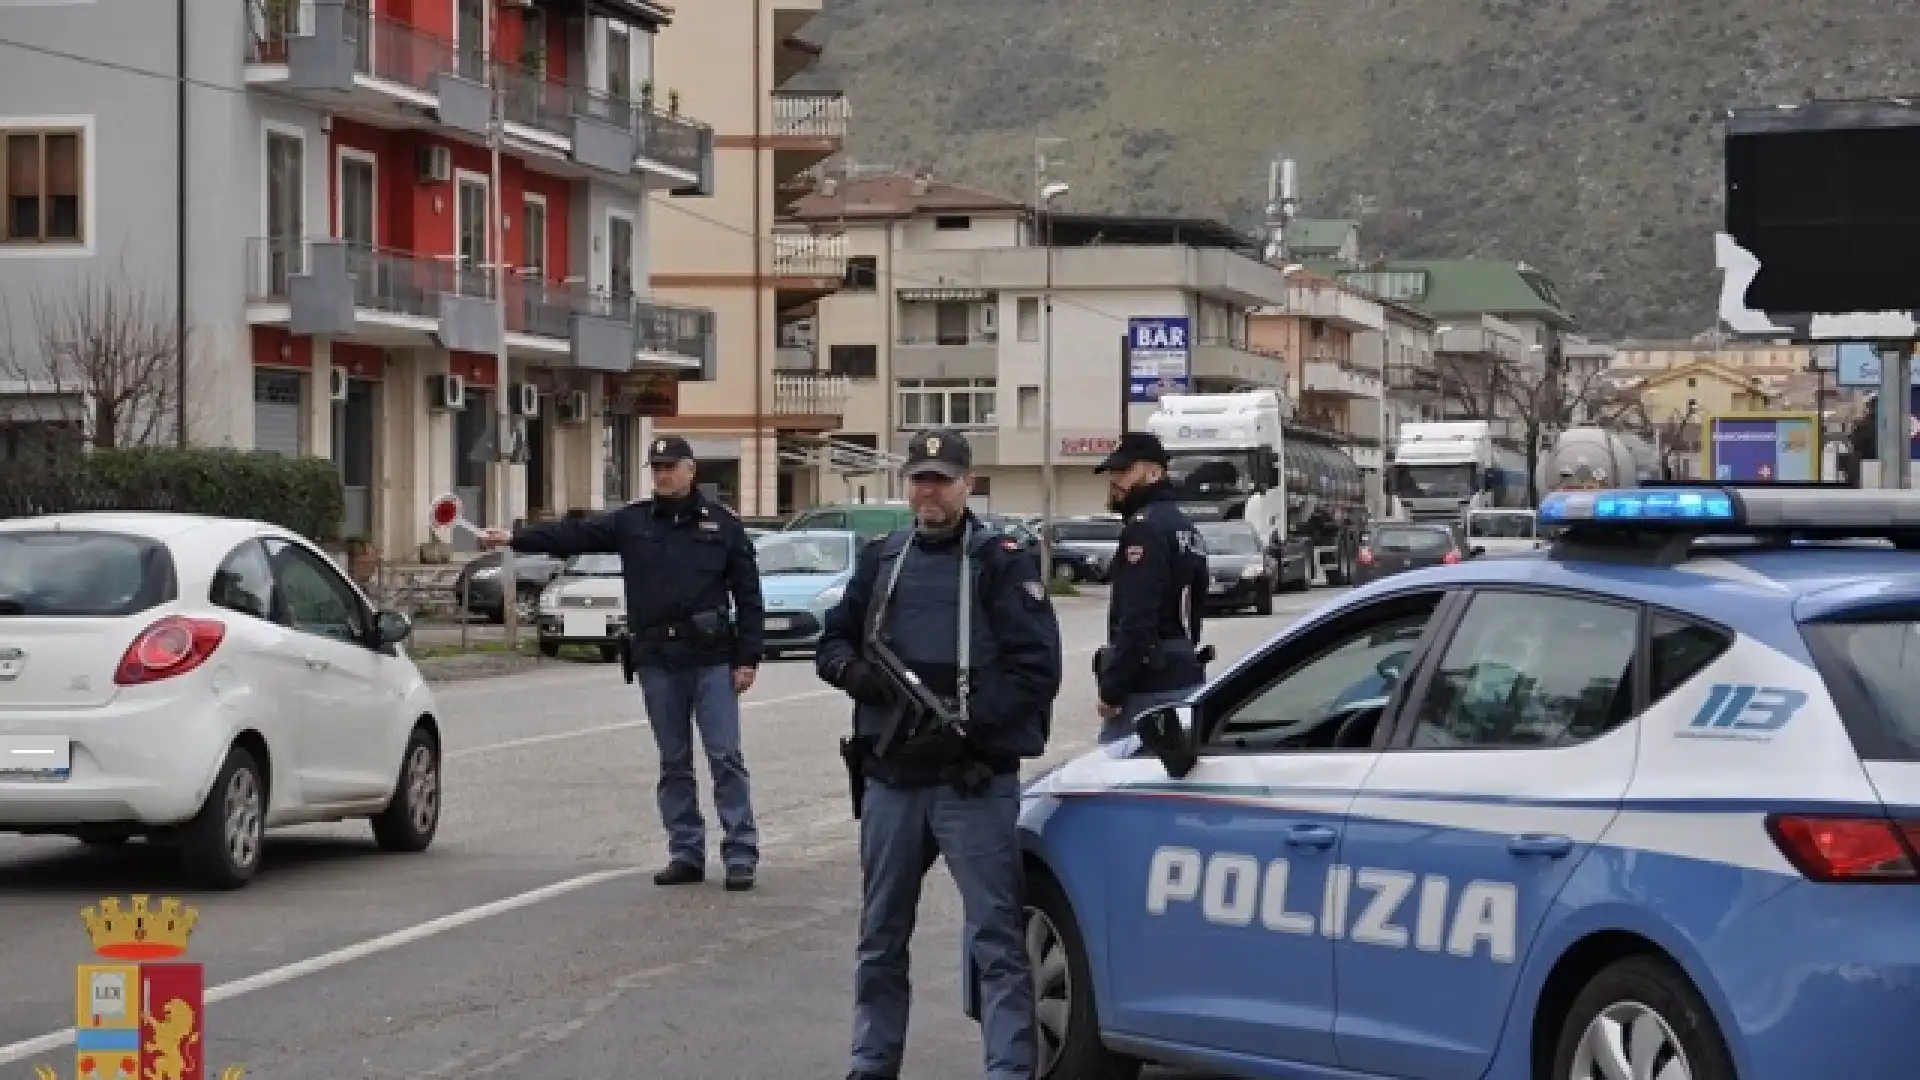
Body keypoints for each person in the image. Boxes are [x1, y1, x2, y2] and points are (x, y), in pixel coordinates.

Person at [816, 427, 1062, 1080]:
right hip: (892, 780)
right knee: (879, 940)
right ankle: (872, 1064)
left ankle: (1009, 1070)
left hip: (968, 781)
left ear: (967, 485)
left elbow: (1036, 670)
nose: (929, 491)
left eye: (941, 479)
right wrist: (851, 673)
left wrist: (969, 726)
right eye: (919, 478)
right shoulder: (883, 558)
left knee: (997, 941)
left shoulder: (1001, 560)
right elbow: (834, 638)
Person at [478, 435, 766, 891]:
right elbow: (573, 536)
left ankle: (740, 852)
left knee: (724, 756)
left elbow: (749, 596)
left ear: (692, 471)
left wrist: (748, 657)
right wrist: (516, 536)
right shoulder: (633, 523)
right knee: (674, 761)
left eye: (671, 467)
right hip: (657, 659)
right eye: (657, 468)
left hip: (711, 658)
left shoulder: (722, 525)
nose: (663, 475)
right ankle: (686, 851)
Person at [1092, 430, 1210, 744]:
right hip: (1183, 671)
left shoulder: (1144, 530)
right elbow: (1195, 611)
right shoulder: (1185, 527)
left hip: (1148, 685)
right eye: (1112, 472)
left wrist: (1112, 690)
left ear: (1154, 471)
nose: (1114, 480)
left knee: (1112, 775)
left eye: (1124, 471)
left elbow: (1137, 617)